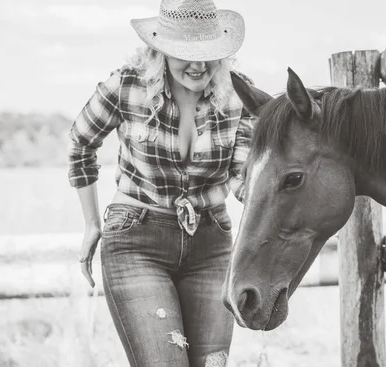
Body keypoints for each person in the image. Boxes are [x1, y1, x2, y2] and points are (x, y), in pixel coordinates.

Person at [67, 1, 253, 366]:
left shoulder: (238, 96)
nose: (199, 65)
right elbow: (80, 142)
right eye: (187, 54)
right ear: (161, 48)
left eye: (209, 54)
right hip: (137, 243)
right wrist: (91, 224)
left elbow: (243, 180)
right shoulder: (125, 86)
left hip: (211, 245)